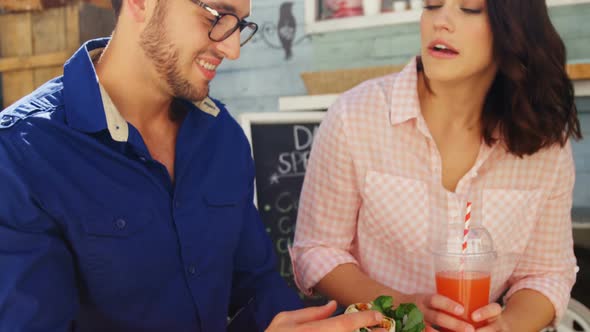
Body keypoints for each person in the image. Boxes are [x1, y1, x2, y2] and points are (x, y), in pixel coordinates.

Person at [0, 0, 388, 331]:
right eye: (216, 15)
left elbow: (256, 286)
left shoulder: (222, 137)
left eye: (241, 25)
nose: (233, 48)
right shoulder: (20, 156)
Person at [291, 0, 583, 331]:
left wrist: (507, 326)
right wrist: (400, 306)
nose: (440, 21)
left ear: (515, 29)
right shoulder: (354, 116)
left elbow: (545, 273)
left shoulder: (543, 141)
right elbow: (318, 249)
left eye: (470, 8)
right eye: (432, 5)